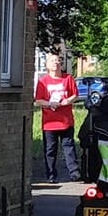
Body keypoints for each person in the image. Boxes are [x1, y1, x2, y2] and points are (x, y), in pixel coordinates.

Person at [34, 53, 79, 183]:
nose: (56, 63)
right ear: (47, 65)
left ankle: (74, 173)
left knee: (69, 147)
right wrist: (49, 104)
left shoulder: (68, 78)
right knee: (50, 149)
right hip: (50, 122)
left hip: (66, 121)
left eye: (58, 61)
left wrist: (67, 101)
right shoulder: (43, 81)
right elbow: (38, 100)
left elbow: (75, 95)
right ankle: (51, 175)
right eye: (53, 61)